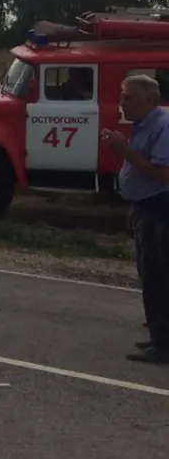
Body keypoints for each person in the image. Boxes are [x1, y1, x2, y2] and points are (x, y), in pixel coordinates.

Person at [102, 74, 169, 363]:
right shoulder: (144, 125)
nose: (121, 102)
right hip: (146, 207)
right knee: (149, 273)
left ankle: (164, 345)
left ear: (149, 100)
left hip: (161, 209)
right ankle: (160, 336)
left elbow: (162, 174)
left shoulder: (163, 127)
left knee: (158, 275)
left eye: (127, 97)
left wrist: (123, 150)